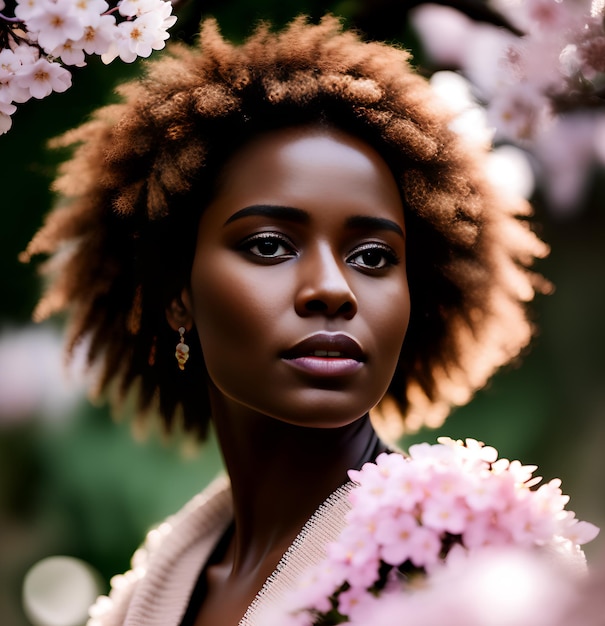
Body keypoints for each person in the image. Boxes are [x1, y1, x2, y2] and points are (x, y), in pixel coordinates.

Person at [22, 15, 551, 626]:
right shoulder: (146, 594)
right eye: (270, 245)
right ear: (179, 295)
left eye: (373, 257)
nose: (333, 289)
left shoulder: (477, 555)